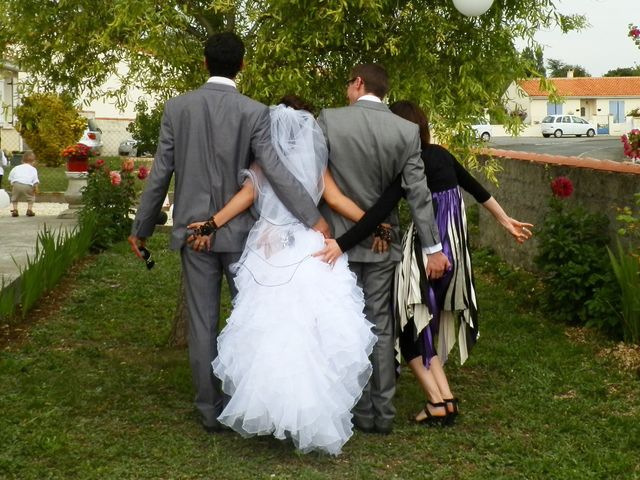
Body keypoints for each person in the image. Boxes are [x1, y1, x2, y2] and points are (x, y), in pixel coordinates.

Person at [127, 32, 329, 434]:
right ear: (242, 66)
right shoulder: (254, 111)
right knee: (248, 318)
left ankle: (208, 408)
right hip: (240, 236)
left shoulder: (177, 108)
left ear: (204, 64)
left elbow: (160, 173)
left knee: (203, 323)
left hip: (191, 233)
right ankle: (247, 402)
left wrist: (142, 228)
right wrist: (314, 218)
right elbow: (275, 171)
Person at [317, 100, 533, 425]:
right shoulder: (442, 155)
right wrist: (506, 221)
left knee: (409, 325)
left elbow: (377, 212)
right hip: (455, 253)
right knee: (424, 326)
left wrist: (342, 243)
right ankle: (445, 400)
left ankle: (434, 401)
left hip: (427, 253)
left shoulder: (411, 163)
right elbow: (478, 190)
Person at [187, 97, 378, 455]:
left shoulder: (265, 161)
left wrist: (213, 222)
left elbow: (246, 197)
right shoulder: (317, 160)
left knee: (271, 327)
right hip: (309, 242)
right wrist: (374, 222)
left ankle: (273, 410)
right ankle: (308, 411)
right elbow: (335, 199)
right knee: (310, 330)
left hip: (269, 245)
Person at [316, 64, 450, 435]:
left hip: (336, 244)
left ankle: (356, 410)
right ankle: (383, 413)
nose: (347, 90)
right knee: (380, 325)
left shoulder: (329, 120)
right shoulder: (405, 131)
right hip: (382, 242)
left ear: (358, 82)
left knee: (343, 325)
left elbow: (314, 179)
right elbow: (418, 195)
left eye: (348, 82)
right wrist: (433, 247)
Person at [8, 150, 39, 217]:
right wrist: (36, 188)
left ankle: (15, 210)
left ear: (22, 161)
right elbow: (35, 180)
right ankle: (29, 210)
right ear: (33, 162)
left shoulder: (16, 168)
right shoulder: (33, 169)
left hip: (17, 184)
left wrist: (12, 185)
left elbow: (10, 177)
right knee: (31, 197)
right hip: (27, 185)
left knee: (15, 198)